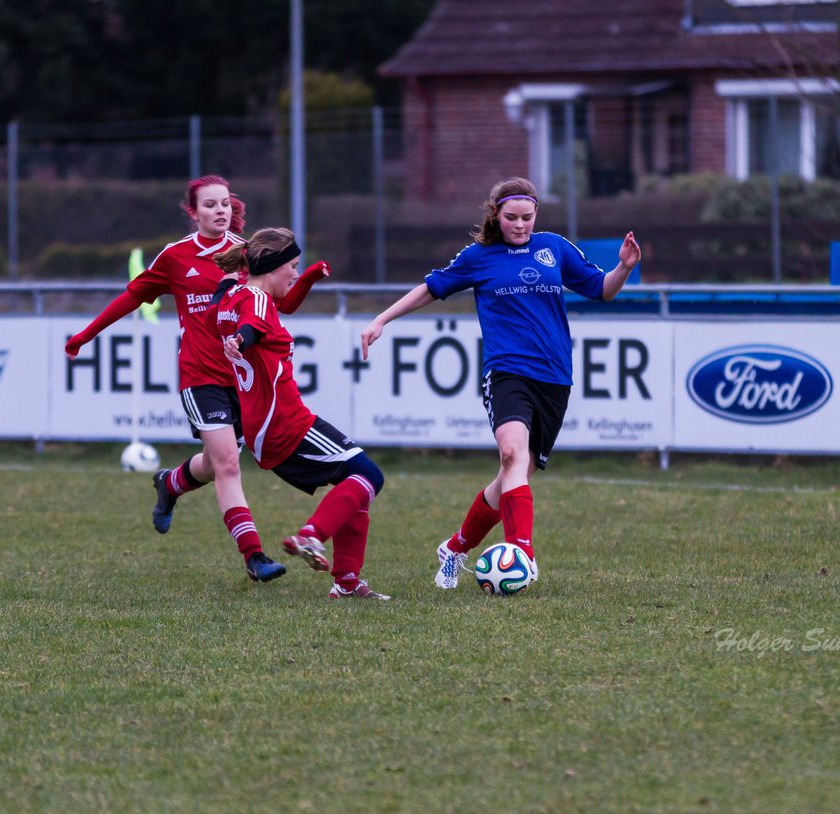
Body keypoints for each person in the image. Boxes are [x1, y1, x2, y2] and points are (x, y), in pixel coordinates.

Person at [359, 177, 640, 589]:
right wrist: (382, 319)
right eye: (512, 218)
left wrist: (625, 268)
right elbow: (430, 289)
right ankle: (521, 555)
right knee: (512, 455)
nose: (521, 225)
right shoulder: (479, 257)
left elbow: (602, 289)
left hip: (555, 376)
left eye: (527, 217)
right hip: (506, 371)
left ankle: (455, 547)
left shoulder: (555, 248)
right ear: (496, 215)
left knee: (516, 472)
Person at [64, 176, 319, 584]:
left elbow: (281, 303)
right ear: (193, 211)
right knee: (228, 464)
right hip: (199, 377)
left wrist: (309, 277)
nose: (220, 211)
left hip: (243, 377)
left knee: (212, 464)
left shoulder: (247, 254)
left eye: (224, 205)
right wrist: (85, 335)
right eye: (210, 205)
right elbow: (132, 296)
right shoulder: (175, 257)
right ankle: (254, 556)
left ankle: (170, 483)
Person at [212, 227, 391, 600]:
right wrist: (241, 340)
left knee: (352, 483)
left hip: (261, 428)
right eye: (293, 266)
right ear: (273, 267)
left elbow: (269, 307)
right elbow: (255, 327)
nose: (294, 273)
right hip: (287, 423)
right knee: (370, 476)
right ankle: (311, 535)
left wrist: (309, 277)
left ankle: (346, 582)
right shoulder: (257, 302)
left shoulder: (232, 296)